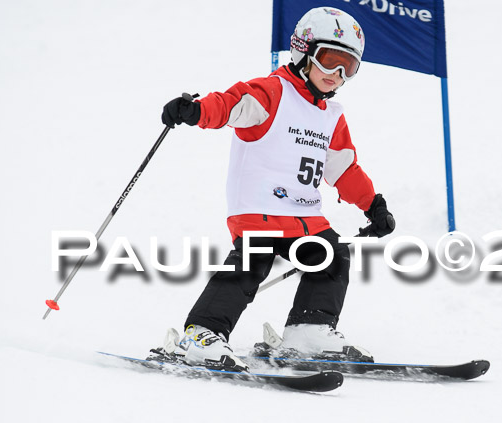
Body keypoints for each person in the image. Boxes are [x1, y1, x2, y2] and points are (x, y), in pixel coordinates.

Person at [156, 7, 394, 372]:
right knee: (252, 263)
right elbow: (231, 104)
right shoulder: (272, 92)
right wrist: (197, 111)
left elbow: (343, 168)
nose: (337, 75)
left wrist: (373, 204)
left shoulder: (331, 115)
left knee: (332, 256)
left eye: (349, 66)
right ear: (303, 51)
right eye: (330, 61)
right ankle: (201, 334)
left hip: (305, 217)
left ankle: (308, 331)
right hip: (260, 209)